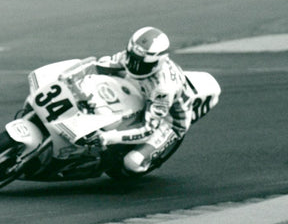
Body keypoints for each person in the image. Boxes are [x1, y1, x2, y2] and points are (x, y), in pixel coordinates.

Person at [59, 27, 193, 174]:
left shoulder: (163, 88)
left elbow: (148, 130)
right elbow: (98, 65)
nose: (134, 66)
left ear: (158, 62)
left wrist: (108, 137)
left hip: (169, 121)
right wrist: (70, 75)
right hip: (142, 92)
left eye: (142, 64)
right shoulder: (130, 57)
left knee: (132, 162)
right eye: (132, 59)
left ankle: (147, 159)